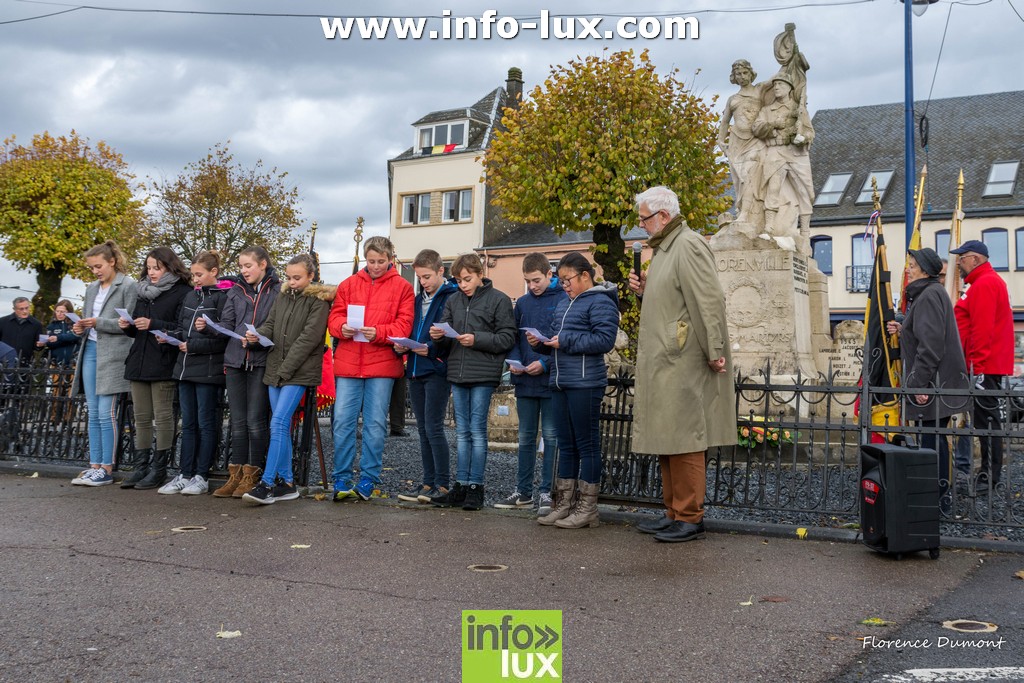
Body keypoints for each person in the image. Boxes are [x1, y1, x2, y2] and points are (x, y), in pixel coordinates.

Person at [628, 186, 736, 543]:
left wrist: (715, 348)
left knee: (687, 436)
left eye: (644, 218)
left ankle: (690, 516)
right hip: (668, 356)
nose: (641, 225)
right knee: (667, 435)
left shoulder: (687, 245)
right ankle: (674, 511)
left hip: (682, 356)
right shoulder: (665, 249)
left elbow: (709, 300)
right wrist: (644, 291)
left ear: (663, 216)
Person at [531, 253, 618, 529]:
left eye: (567, 280)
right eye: (560, 280)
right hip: (561, 381)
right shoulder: (564, 303)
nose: (564, 285)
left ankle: (587, 509)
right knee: (566, 446)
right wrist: (540, 343)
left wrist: (564, 340)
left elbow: (604, 340)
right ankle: (565, 505)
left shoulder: (601, 301)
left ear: (585, 276)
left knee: (587, 445)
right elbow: (558, 341)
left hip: (585, 383)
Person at [242, 254, 334, 505]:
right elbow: (270, 325)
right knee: (280, 425)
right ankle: (288, 483)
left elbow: (309, 339)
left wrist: (285, 369)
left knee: (279, 423)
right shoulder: (283, 295)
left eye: (298, 278)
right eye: (289, 277)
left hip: (297, 372)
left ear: (311, 276)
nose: (292, 282)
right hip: (277, 369)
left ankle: (268, 483)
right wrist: (256, 335)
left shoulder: (319, 301)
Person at [329, 236, 414, 502]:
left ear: (391, 258)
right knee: (342, 422)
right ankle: (341, 477)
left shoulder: (403, 287)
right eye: (371, 261)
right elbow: (334, 317)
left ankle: (368, 479)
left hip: (382, 366)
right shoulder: (348, 284)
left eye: (381, 261)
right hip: (349, 363)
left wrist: (378, 332)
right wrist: (340, 326)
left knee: (375, 425)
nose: (376, 266)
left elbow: (404, 326)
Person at [428, 253, 516, 511]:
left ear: (480, 275)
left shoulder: (498, 299)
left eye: (467, 279)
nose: (463, 284)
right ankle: (461, 484)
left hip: (483, 374)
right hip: (458, 371)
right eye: (458, 280)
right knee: (462, 432)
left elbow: (507, 338)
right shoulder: (453, 300)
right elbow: (445, 341)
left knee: (476, 431)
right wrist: (438, 335)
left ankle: (476, 487)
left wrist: (476, 339)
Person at [885, 248, 968, 511]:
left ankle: (939, 499)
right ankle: (938, 496)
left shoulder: (929, 295)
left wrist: (919, 385)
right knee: (933, 439)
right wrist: (904, 328)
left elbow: (930, 346)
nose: (908, 269)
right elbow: (923, 332)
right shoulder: (929, 293)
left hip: (933, 383)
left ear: (925, 270)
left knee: (933, 442)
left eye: (912, 265)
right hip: (936, 381)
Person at [495, 252, 566, 514]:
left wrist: (545, 364)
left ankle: (547, 492)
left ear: (550, 274)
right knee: (525, 438)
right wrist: (513, 361)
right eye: (528, 281)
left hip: (549, 380)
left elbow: (563, 338)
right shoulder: (523, 303)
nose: (532, 286)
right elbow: (513, 337)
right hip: (525, 379)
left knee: (550, 437)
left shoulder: (562, 299)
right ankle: (523, 491)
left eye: (536, 280)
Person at [157, 251, 231, 496]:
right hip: (184, 367)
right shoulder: (190, 295)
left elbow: (224, 338)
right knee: (188, 424)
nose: (195, 279)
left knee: (206, 424)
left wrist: (196, 344)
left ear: (214, 273)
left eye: (199, 274)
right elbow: (181, 329)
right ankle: (185, 473)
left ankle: (201, 475)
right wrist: (169, 337)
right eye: (193, 274)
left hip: (208, 370)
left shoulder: (223, 297)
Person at [121, 247, 192, 491]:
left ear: (170, 267)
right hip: (139, 359)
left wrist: (154, 324)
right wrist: (127, 326)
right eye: (149, 267)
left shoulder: (183, 291)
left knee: (163, 417)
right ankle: (141, 466)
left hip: (163, 360)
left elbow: (183, 326)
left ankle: (159, 469)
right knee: (140, 417)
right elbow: (136, 328)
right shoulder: (142, 291)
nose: (151, 272)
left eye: (157, 268)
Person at [214, 246, 280, 498]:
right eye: (241, 266)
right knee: (237, 422)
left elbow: (275, 325)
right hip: (235, 361)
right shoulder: (236, 290)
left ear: (262, 264)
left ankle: (253, 476)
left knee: (256, 422)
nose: (243, 270)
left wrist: (258, 336)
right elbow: (227, 324)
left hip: (260, 361)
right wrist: (210, 328)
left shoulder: (276, 290)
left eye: (248, 265)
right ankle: (236, 475)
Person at [69, 241, 137, 487]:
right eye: (91, 268)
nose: (95, 271)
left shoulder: (128, 285)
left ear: (112, 261)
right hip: (91, 350)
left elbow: (126, 324)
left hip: (114, 354)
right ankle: (94, 465)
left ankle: (106, 468)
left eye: (98, 266)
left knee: (105, 413)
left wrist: (97, 322)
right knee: (92, 411)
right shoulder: (90, 289)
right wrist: (79, 327)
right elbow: (88, 323)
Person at [394, 249, 458, 504]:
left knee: (433, 427)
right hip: (415, 369)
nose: (423, 282)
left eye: (427, 276)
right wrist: (400, 345)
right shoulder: (417, 300)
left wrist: (431, 349)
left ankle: (442, 484)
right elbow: (409, 328)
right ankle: (428, 482)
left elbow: (451, 336)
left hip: (436, 369)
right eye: (419, 277)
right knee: (422, 429)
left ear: (441, 271)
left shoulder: (451, 297)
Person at [949, 239, 1014, 490]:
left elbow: (982, 329)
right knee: (984, 420)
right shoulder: (981, 282)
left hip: (983, 367)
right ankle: (988, 473)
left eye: (962, 258)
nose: (959, 263)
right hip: (982, 365)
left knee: (987, 421)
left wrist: (976, 367)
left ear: (975, 259)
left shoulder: (985, 283)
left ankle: (989, 476)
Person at [750, 74, 814, 246]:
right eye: (775, 84)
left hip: (795, 152)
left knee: (804, 192)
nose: (776, 87)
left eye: (780, 84)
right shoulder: (766, 110)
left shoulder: (798, 110)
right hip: (775, 150)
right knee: (773, 188)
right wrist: (773, 125)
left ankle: (805, 233)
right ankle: (769, 227)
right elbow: (756, 128)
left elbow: (809, 132)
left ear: (789, 88)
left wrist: (803, 138)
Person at [717, 59, 768, 220]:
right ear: (734, 77)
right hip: (736, 141)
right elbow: (725, 121)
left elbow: (779, 80)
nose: (742, 76)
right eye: (738, 74)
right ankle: (742, 209)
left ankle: (747, 212)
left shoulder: (760, 91)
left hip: (755, 141)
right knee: (739, 180)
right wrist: (720, 140)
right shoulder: (733, 98)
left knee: (749, 174)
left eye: (745, 73)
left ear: (751, 73)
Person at [0, 297, 43, 365]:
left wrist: (40, 345)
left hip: (25, 363)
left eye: (27, 308)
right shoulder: (2, 322)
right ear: (14, 309)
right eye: (21, 309)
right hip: (4, 362)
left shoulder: (37, 324)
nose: (25, 311)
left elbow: (38, 347)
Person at [41, 300, 80, 366]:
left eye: (62, 312)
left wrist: (58, 338)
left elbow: (75, 336)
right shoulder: (51, 326)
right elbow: (48, 343)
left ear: (69, 312)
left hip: (74, 363)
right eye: (57, 311)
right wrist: (66, 339)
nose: (59, 314)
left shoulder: (76, 323)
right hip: (56, 363)